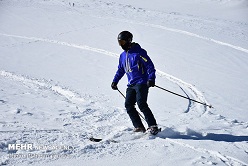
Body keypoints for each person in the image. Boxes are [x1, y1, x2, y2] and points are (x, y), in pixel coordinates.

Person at [111, 31, 159, 135]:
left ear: (129, 41)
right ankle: (139, 127)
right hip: (131, 84)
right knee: (128, 105)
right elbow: (121, 69)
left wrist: (151, 79)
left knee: (141, 103)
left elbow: (149, 65)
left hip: (142, 82)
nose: (121, 45)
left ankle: (153, 126)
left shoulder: (139, 52)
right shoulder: (122, 56)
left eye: (123, 42)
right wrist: (115, 81)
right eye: (119, 42)